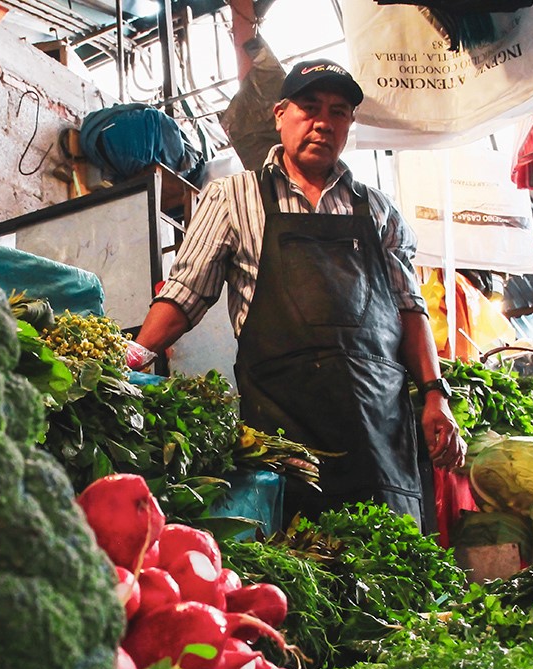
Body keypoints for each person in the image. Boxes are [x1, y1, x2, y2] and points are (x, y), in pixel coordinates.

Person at [126, 58, 466, 525]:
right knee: (296, 566)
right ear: (279, 114)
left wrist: (434, 394)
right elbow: (186, 293)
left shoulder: (379, 210)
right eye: (309, 107)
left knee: (392, 566)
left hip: (378, 426)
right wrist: (134, 356)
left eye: (338, 111)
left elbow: (410, 309)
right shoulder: (233, 196)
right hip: (283, 425)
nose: (323, 122)